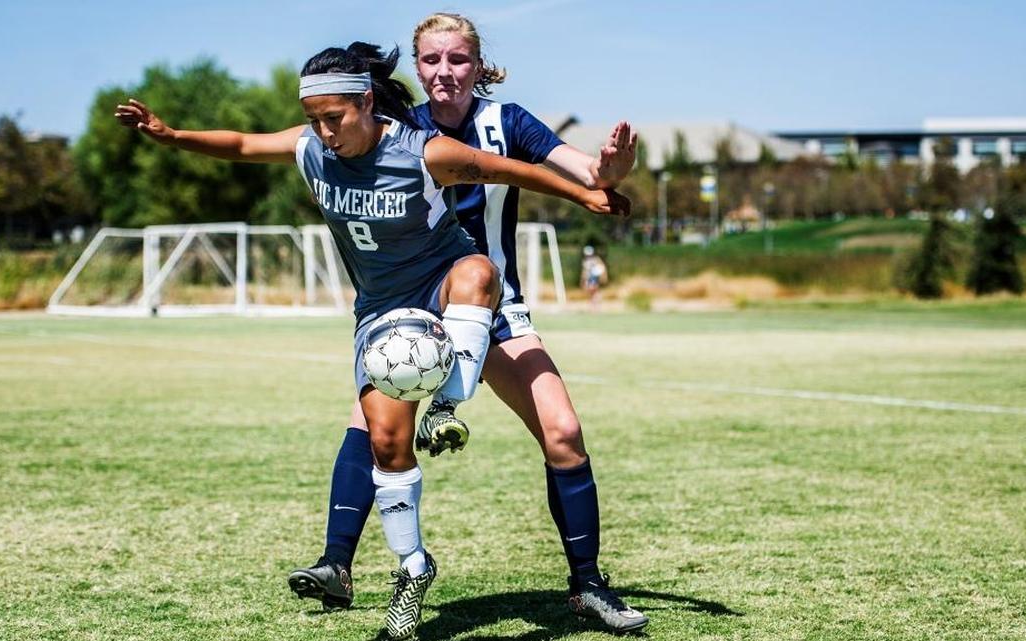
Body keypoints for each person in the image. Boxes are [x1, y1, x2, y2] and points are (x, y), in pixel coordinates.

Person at [115, 42, 627, 640]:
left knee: (480, 273)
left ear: (365, 103)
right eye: (315, 121)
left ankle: (448, 410)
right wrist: (171, 135)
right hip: (385, 315)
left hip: (451, 290)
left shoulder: (420, 150)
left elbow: (506, 170)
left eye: (335, 118)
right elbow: (242, 144)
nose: (324, 132)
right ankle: (412, 571)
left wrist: (586, 194)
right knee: (384, 442)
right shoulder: (312, 150)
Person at [290, 14, 648, 634]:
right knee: (369, 426)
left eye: (458, 60)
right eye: (431, 61)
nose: (444, 73)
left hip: (494, 306)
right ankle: (335, 565)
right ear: (416, 68)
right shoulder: (393, 130)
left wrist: (609, 172)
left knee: (563, 432)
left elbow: (587, 172)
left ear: (479, 66)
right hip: (412, 311)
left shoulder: (507, 122)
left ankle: (588, 586)